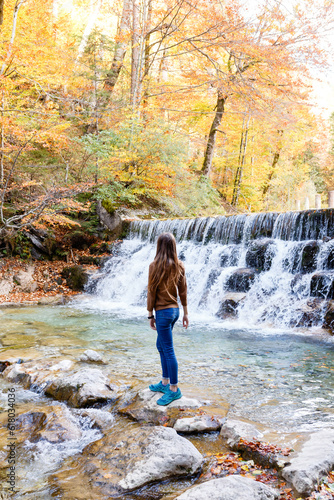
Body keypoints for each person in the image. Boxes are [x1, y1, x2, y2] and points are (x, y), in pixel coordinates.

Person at [147, 232, 189, 406]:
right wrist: (186, 313)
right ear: (173, 247)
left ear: (159, 246)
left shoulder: (154, 265)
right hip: (174, 312)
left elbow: (151, 292)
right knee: (161, 345)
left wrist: (150, 314)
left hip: (163, 314)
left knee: (168, 350)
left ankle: (174, 389)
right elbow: (183, 291)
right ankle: (164, 382)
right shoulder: (179, 265)